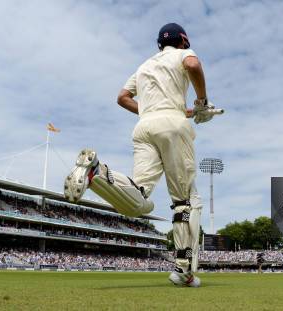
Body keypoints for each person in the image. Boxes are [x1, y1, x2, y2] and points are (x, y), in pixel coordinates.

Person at [63, 23, 222, 288]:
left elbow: (122, 97)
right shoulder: (184, 53)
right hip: (173, 126)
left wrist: (155, 111)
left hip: (145, 127)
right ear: (183, 40)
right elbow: (194, 66)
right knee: (185, 202)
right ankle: (184, 270)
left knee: (139, 199)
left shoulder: (144, 67)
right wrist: (202, 103)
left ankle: (97, 172)